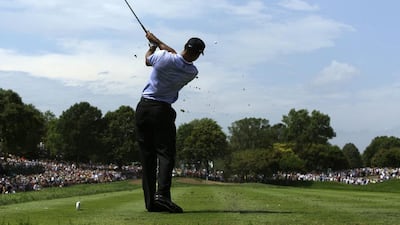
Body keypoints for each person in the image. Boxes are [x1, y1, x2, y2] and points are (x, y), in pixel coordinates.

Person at [135, 32, 205, 213]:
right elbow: (174, 54)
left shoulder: (163, 57)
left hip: (143, 108)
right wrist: (157, 41)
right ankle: (162, 195)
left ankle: (151, 202)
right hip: (162, 111)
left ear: (185, 46)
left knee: (148, 156)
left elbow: (147, 59)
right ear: (198, 54)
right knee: (165, 154)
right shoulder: (192, 72)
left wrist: (152, 44)